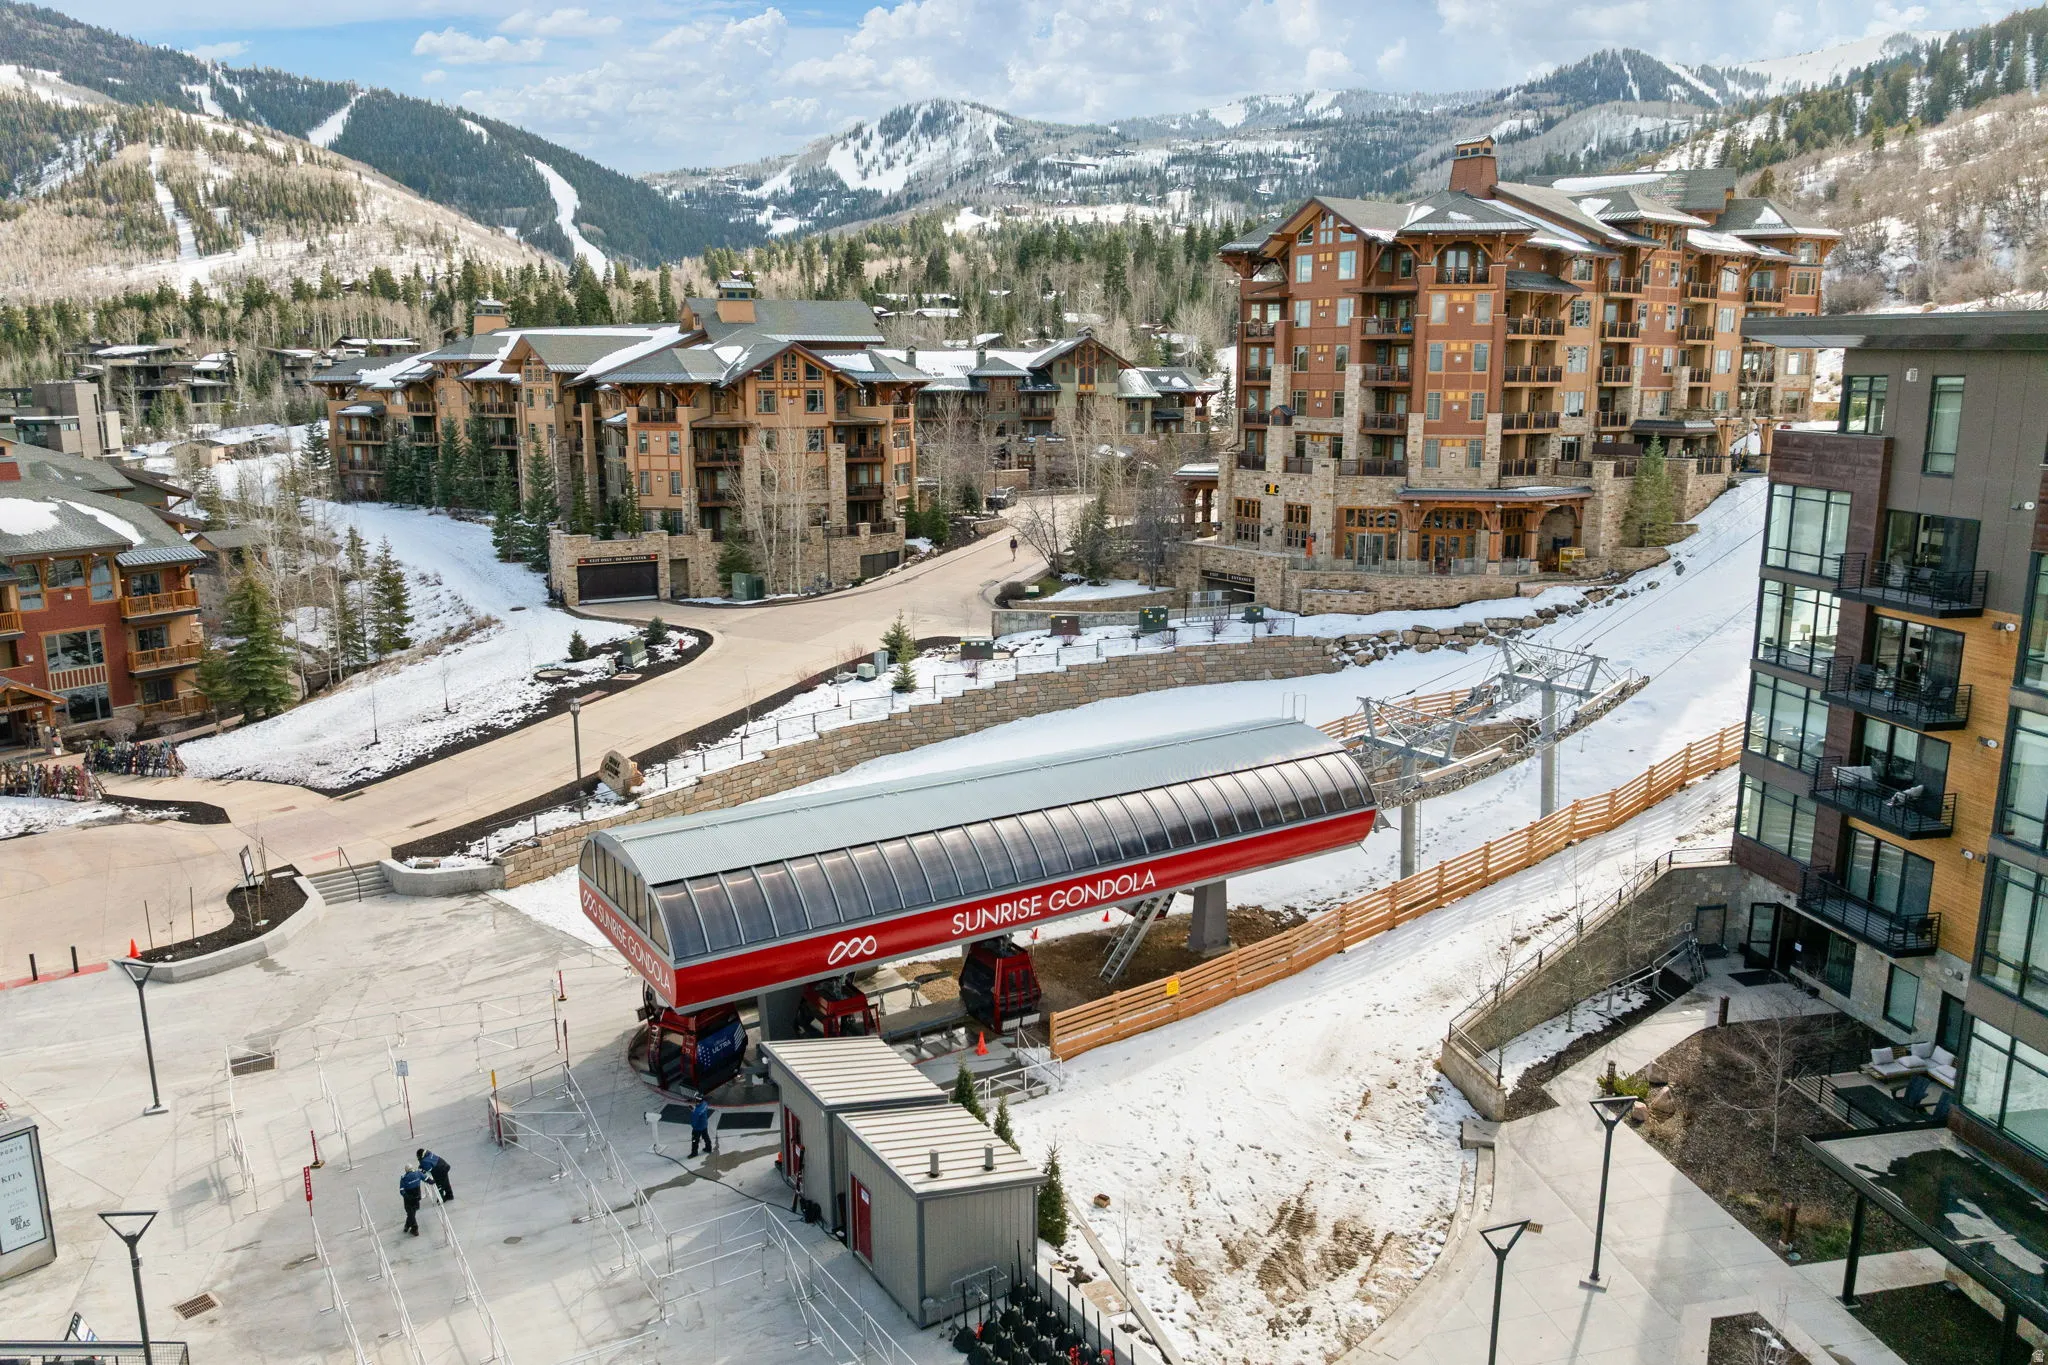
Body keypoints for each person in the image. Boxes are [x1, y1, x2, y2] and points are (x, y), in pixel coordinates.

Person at [399, 1166, 425, 1236]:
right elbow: (426, 1179)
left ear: (406, 1170)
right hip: (417, 1197)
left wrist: (406, 1196)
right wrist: (433, 1182)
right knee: (412, 1212)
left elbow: (401, 1191)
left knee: (410, 1213)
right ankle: (407, 1226)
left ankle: (415, 1228)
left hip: (409, 1199)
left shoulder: (404, 1178)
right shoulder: (418, 1173)